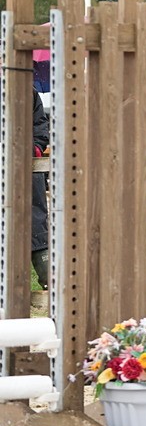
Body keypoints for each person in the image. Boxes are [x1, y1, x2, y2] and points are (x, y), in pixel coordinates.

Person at [31, 88, 50, 290]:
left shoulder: (28, 91)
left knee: (36, 226)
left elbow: (41, 128)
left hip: (28, 171)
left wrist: (32, 148)